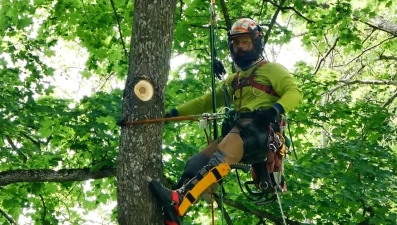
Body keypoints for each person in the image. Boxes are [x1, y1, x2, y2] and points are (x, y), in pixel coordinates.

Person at [149, 18, 303, 225]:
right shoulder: (234, 80)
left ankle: (179, 199)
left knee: (221, 156)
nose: (240, 47)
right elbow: (205, 102)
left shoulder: (272, 69)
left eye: (245, 41)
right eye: (236, 43)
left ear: (256, 42)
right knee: (195, 163)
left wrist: (274, 110)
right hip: (240, 133)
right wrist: (171, 115)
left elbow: (294, 93)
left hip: (261, 133)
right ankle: (174, 212)